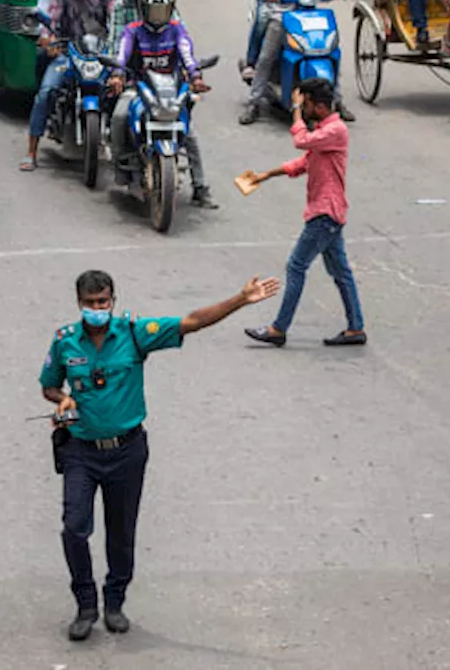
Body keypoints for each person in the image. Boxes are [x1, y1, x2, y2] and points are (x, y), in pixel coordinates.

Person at [40, 269, 280, 640]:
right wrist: (63, 398)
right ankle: (86, 604)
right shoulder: (65, 341)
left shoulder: (136, 334)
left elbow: (192, 322)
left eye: (103, 302)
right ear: (79, 305)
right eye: (90, 304)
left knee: (121, 532)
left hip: (127, 452)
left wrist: (239, 299)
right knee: (74, 528)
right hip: (80, 452)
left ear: (113, 301)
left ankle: (115, 602)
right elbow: (49, 386)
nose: (97, 309)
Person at [242, 78, 366, 348]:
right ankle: (355, 328)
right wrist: (266, 175)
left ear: (320, 106)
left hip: (324, 213)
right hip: (330, 213)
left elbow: (301, 142)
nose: (304, 109)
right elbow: (303, 163)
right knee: (341, 272)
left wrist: (295, 111)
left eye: (307, 104)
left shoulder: (335, 131)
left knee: (296, 266)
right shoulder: (326, 132)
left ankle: (279, 328)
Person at [107, 0, 217, 209]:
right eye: (154, 11)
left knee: (190, 136)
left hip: (171, 91)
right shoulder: (133, 31)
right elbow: (122, 54)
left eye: (163, 11)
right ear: (143, 10)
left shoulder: (177, 30)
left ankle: (201, 188)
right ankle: (121, 168)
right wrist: (117, 74)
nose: (158, 17)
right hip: (138, 87)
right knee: (118, 118)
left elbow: (187, 53)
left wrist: (195, 75)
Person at [20, 0, 116, 172]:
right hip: (67, 52)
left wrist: (117, 48)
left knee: (122, 91)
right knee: (46, 92)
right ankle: (31, 152)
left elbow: (116, 21)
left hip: (100, 54)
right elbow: (51, 20)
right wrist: (49, 40)